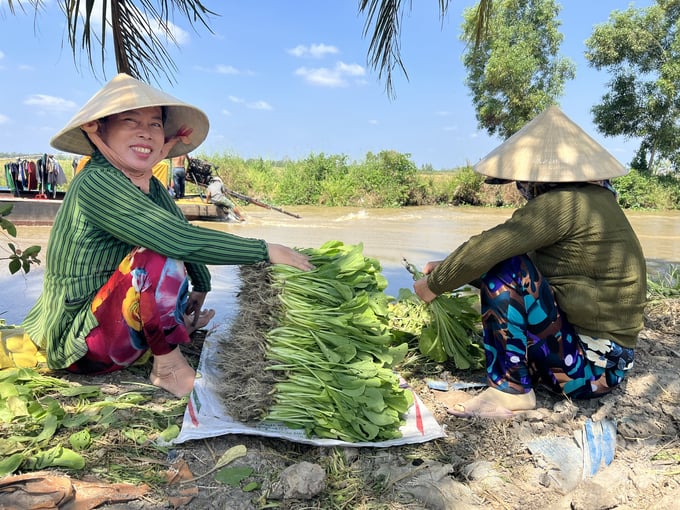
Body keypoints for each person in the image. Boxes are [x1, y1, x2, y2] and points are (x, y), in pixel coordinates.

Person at [22, 73, 313, 398]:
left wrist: (201, 286)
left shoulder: (148, 185)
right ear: (97, 129)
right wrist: (265, 249)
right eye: (130, 121)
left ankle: (162, 338)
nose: (145, 132)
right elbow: (173, 239)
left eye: (155, 124)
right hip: (80, 343)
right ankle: (168, 368)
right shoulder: (98, 182)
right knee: (156, 253)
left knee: (163, 250)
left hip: (111, 330)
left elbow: (183, 230)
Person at [413, 106, 647, 418]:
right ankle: (518, 381)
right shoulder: (595, 200)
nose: (522, 188)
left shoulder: (565, 203)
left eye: (522, 180)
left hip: (589, 374)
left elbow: (492, 247)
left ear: (538, 177)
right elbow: (534, 283)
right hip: (607, 365)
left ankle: (510, 392)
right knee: (506, 266)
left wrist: (434, 284)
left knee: (508, 266)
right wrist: (450, 267)